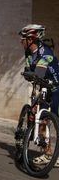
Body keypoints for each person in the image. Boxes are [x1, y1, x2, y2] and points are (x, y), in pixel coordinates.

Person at [19, 24, 59, 166]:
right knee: (41, 120)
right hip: (45, 89)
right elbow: (28, 71)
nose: (21, 41)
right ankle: (48, 154)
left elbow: (38, 75)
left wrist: (31, 75)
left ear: (31, 39)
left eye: (23, 38)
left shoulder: (45, 53)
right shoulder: (28, 53)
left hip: (56, 89)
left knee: (55, 120)